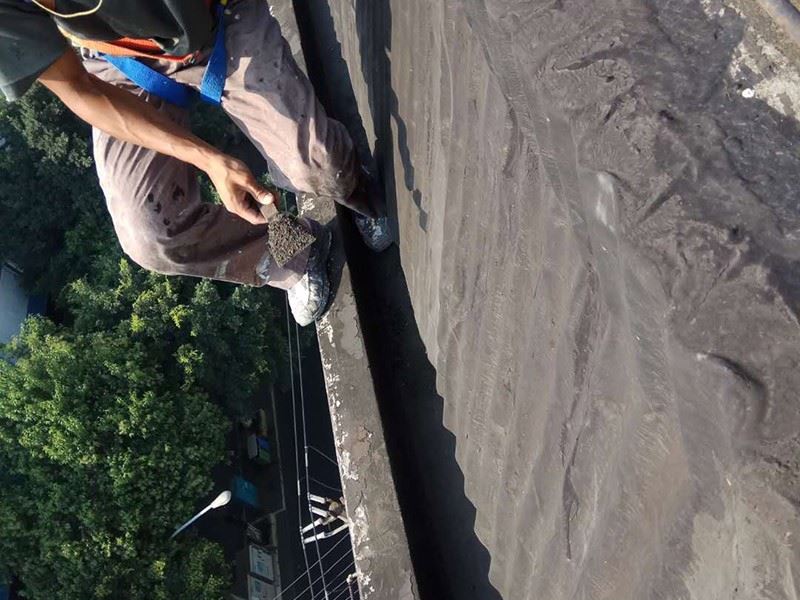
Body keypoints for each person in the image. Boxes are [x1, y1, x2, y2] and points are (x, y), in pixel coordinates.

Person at [0, 0, 391, 326]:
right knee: (149, 233)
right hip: (120, 59)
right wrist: (209, 159)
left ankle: (355, 185)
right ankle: (296, 256)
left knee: (314, 165)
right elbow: (78, 89)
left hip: (216, 14)